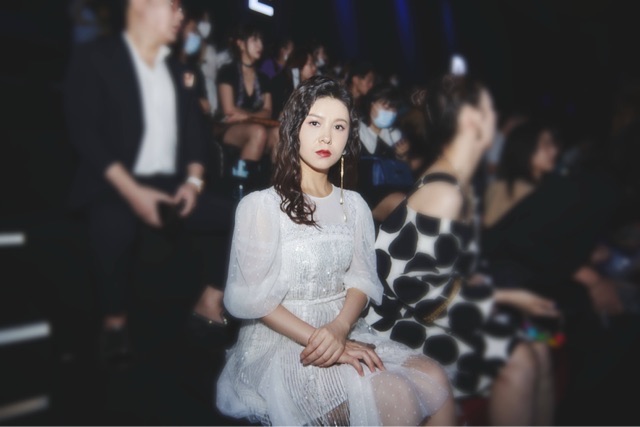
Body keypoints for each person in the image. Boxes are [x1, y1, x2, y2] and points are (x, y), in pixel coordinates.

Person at [216, 75, 456, 426]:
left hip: (344, 327)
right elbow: (253, 299)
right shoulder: (260, 206)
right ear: (295, 129)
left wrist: (341, 328)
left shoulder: (355, 205)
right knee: (395, 394)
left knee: (436, 377)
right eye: (315, 123)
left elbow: (362, 279)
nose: (327, 137)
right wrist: (327, 341)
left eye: (339, 126)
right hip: (285, 340)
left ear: (348, 138)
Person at [365, 74, 560, 426]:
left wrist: (503, 298)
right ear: (472, 120)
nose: (496, 119)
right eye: (490, 110)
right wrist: (496, 303)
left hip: (439, 308)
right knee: (520, 360)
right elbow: (407, 281)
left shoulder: (461, 181)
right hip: (400, 322)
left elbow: (456, 270)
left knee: (540, 345)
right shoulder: (446, 191)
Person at [63, 0, 232, 368]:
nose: (181, 16)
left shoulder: (178, 70)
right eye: (173, 6)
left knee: (240, 214)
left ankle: (210, 301)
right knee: (112, 220)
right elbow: (84, 134)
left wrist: (192, 183)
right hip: (113, 181)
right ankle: (114, 323)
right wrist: (134, 192)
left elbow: (195, 138)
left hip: (171, 184)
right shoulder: (97, 57)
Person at [215, 22, 279, 190]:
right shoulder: (227, 71)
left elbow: (268, 111)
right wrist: (252, 117)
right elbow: (229, 109)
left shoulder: (264, 78)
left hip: (254, 125)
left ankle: (275, 189)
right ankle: (241, 188)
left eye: (261, 41)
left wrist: (246, 116)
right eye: (254, 40)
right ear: (241, 44)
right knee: (258, 132)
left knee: (278, 133)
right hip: (229, 127)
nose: (260, 45)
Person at [483, 120, 559, 227]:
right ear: (526, 146)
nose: (554, 150)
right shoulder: (505, 189)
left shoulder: (547, 189)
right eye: (546, 144)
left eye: (553, 144)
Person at [357, 83, 415, 223]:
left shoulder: (395, 135)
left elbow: (405, 173)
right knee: (401, 203)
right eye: (385, 106)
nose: (390, 112)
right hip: (367, 198)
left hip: (397, 191)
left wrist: (403, 156)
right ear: (371, 104)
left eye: (393, 108)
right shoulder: (356, 132)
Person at [269, 44, 317, 120]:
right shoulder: (281, 83)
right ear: (299, 64)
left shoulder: (311, 85)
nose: (314, 68)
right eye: (310, 64)